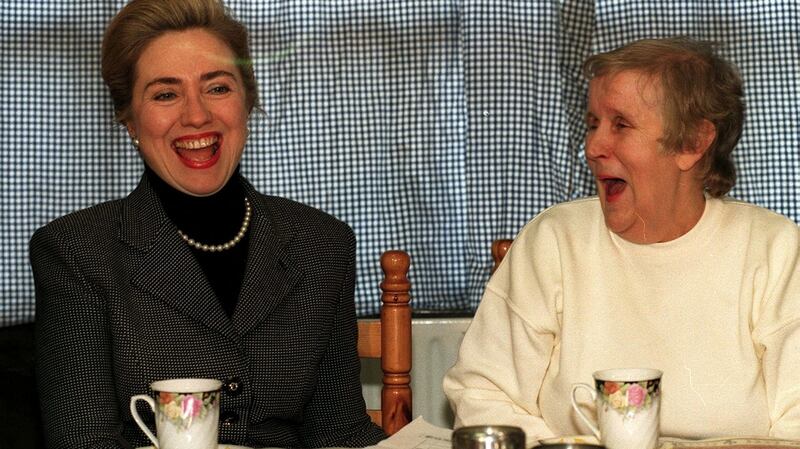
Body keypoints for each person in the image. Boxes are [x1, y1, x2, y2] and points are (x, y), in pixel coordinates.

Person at [30, 0, 386, 447]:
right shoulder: (75, 251)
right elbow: (83, 441)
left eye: (217, 88)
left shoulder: (320, 243)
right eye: (165, 93)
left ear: (247, 101)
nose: (197, 115)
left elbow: (340, 433)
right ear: (129, 120)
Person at [444, 37, 800, 441]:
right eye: (592, 123)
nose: (592, 147)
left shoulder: (777, 252)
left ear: (693, 143)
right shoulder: (555, 242)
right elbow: (483, 393)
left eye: (621, 125)